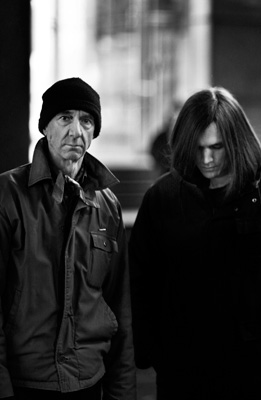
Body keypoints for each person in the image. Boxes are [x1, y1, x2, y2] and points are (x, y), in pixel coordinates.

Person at [128, 86, 261, 399]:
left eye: (217, 147)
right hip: (183, 367)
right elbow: (142, 280)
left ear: (236, 142)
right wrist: (153, 353)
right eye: (198, 148)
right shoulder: (162, 197)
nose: (207, 159)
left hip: (257, 368)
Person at [0, 77, 136, 399]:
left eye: (86, 121)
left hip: (89, 381)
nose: (76, 131)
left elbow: (120, 308)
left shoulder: (107, 206)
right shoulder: (8, 195)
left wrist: (121, 393)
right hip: (26, 383)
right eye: (65, 118)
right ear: (45, 127)